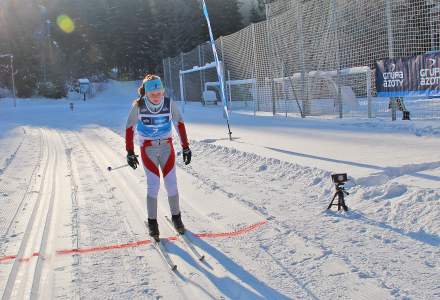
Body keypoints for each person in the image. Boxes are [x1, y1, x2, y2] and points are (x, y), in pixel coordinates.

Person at [125, 74, 192, 239]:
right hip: (148, 149)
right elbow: (129, 128)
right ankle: (153, 223)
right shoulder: (139, 106)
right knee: (153, 184)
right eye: (152, 94)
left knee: (171, 184)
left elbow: (179, 124)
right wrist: (130, 152)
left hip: (166, 148)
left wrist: (186, 147)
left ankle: (177, 219)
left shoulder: (169, 104)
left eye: (159, 93)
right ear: (146, 93)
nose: (156, 97)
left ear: (163, 91)